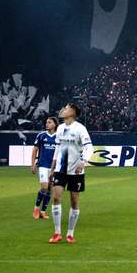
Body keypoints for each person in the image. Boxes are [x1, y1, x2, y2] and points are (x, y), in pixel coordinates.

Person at [49, 103, 93, 244]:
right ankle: (57, 233)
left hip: (76, 171)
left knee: (74, 201)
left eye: (66, 108)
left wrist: (83, 161)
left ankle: (70, 233)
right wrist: (53, 166)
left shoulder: (80, 129)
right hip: (60, 170)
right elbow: (58, 147)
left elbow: (89, 147)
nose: (63, 109)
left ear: (72, 113)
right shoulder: (60, 128)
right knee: (56, 198)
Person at [30, 116, 58, 220]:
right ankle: (36, 208)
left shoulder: (59, 136)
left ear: (55, 124)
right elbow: (35, 150)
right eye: (46, 122)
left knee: (50, 189)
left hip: (53, 168)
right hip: (43, 165)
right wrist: (33, 164)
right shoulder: (41, 135)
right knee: (44, 187)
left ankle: (42, 212)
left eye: (49, 122)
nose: (47, 124)